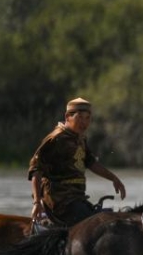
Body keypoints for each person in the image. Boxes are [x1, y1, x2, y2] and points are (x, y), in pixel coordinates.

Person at [29, 97, 126, 226]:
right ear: (68, 116)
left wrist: (114, 179)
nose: (84, 123)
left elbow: (91, 163)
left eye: (88, 118)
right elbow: (36, 170)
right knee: (100, 224)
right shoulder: (56, 139)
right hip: (60, 202)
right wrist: (36, 203)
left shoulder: (80, 139)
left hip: (77, 199)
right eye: (80, 117)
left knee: (109, 218)